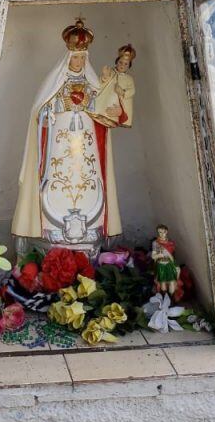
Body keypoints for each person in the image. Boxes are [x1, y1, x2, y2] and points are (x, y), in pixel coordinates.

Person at [12, 21, 136, 252]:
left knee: (88, 183)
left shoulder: (94, 83)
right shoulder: (56, 83)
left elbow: (107, 108)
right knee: (57, 182)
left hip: (86, 151)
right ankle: (51, 230)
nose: (78, 62)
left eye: (82, 58)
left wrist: (117, 111)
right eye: (75, 58)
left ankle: (90, 231)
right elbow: (39, 112)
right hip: (59, 148)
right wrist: (60, 103)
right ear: (68, 58)